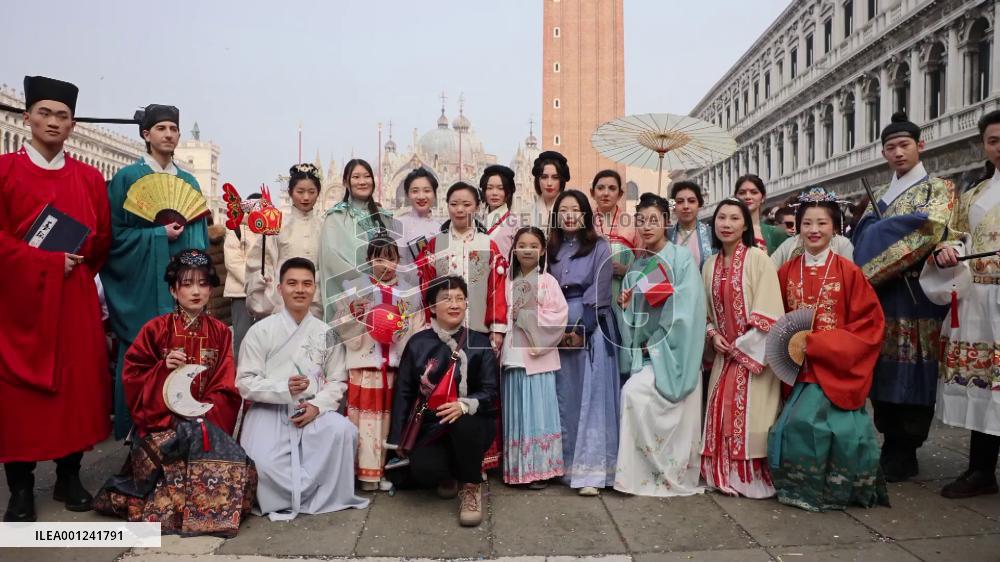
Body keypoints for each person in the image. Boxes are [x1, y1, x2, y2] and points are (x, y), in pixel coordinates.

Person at [0, 76, 112, 522]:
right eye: (44, 113)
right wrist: (42, 264)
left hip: (73, 301)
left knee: (76, 391)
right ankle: (21, 488)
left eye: (62, 116)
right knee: (18, 399)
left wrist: (75, 269)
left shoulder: (87, 178)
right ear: (26, 118)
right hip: (17, 305)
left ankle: (70, 475)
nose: (52, 121)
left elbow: (100, 240)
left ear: (73, 126)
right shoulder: (4, 171)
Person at [93, 249, 255, 535]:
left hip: (206, 425)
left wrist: (201, 418)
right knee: (163, 497)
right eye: (187, 284)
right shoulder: (156, 329)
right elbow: (132, 376)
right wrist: (161, 368)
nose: (196, 291)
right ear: (173, 289)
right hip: (161, 424)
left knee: (240, 468)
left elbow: (225, 387)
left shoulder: (220, 332)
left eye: (203, 284)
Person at [767, 189, 889, 512]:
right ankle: (801, 487)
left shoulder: (849, 273)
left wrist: (822, 344)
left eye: (822, 223)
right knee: (793, 426)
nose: (814, 230)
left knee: (830, 428)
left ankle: (838, 491)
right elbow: (771, 313)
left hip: (836, 367)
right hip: (797, 369)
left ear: (835, 227)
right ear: (798, 227)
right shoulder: (786, 271)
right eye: (807, 223)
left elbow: (870, 324)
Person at [852, 112, 956, 482]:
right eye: (890, 147)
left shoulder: (939, 189)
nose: (897, 153)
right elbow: (860, 238)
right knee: (882, 367)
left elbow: (927, 230)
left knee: (914, 368)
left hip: (916, 291)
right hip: (879, 296)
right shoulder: (879, 194)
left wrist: (881, 238)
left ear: (920, 146)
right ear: (883, 152)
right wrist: (878, 230)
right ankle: (888, 442)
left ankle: (906, 448)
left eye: (904, 145)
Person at [104, 103, 209, 439]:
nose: (168, 134)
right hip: (143, 289)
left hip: (181, 286)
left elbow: (198, 239)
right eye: (161, 129)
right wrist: (157, 235)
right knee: (145, 352)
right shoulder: (127, 178)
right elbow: (113, 237)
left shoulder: (189, 182)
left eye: (173, 129)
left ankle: (181, 434)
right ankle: (139, 441)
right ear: (146, 135)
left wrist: (194, 278)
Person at [237, 257, 369, 521]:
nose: (300, 289)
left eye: (307, 284)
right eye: (293, 283)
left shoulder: (326, 333)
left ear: (314, 290)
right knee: (263, 464)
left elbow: (337, 381)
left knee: (342, 432)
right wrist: (281, 388)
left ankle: (323, 497)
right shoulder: (260, 331)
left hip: (312, 411)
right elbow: (245, 382)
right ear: (280, 289)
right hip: (269, 410)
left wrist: (316, 406)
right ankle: (287, 498)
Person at [387, 276, 500, 527]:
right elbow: (404, 392)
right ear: (431, 307)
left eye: (460, 298)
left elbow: (492, 392)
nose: (455, 304)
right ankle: (451, 474)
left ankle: (471, 487)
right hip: (431, 427)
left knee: (463, 422)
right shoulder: (417, 343)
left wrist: (464, 405)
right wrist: (397, 440)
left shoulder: (479, 343)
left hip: (472, 425)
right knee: (423, 471)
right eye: (447, 298)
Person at [614, 194, 707, 497]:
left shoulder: (681, 258)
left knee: (634, 392)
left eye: (654, 219)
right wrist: (627, 304)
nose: (647, 226)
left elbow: (689, 309)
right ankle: (637, 476)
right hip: (649, 355)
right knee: (630, 393)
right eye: (641, 220)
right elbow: (632, 321)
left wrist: (665, 297)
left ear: (667, 222)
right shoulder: (638, 264)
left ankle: (672, 471)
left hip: (675, 354)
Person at [931, 110, 1000, 499]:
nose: (999, 147)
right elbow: (955, 235)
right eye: (993, 140)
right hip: (979, 298)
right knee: (984, 384)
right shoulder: (973, 192)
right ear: (984, 145)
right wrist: (949, 251)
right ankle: (981, 469)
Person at [417, 181, 508, 470]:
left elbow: (497, 287)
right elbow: (425, 286)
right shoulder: (436, 244)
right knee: (442, 390)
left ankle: (478, 459)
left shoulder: (487, 245)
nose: (460, 209)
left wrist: (496, 329)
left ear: (477, 207)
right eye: (454, 203)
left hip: (478, 330)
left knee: (478, 391)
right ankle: (444, 460)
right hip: (442, 330)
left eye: (467, 204)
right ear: (447, 206)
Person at [701, 198, 783, 498]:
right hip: (724, 353)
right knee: (720, 413)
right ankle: (721, 473)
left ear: (746, 225)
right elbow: (705, 312)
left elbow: (770, 309)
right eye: (721, 218)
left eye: (734, 218)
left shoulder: (759, 259)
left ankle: (749, 478)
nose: (726, 224)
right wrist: (712, 335)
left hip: (752, 354)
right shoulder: (709, 264)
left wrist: (742, 345)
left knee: (751, 416)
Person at [333, 236, 425, 491]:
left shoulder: (410, 293)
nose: (385, 265)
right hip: (365, 366)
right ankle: (363, 473)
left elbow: (417, 331)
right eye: (378, 258)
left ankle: (387, 472)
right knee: (364, 423)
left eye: (391, 258)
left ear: (398, 261)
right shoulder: (354, 289)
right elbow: (339, 326)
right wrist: (353, 313)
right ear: (368, 260)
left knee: (389, 422)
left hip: (395, 367)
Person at [549, 190, 621, 496]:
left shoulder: (599, 247)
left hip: (587, 321)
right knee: (563, 394)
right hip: (554, 322)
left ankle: (592, 470)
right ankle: (563, 464)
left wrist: (583, 326)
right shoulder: (549, 249)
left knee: (590, 395)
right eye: (563, 210)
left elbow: (600, 287)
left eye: (575, 209)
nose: (569, 215)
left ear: (584, 214)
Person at [502, 227, 568, 487]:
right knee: (517, 411)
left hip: (537, 357)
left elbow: (559, 317)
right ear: (514, 249)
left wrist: (528, 317)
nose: (527, 249)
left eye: (533, 245)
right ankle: (517, 469)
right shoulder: (506, 282)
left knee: (539, 413)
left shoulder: (548, 282)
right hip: (512, 353)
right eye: (522, 244)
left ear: (542, 251)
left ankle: (541, 469)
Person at [246, 163, 324, 319]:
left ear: (318, 193)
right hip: (281, 301)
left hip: (317, 302)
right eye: (300, 192)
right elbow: (262, 261)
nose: (306, 197)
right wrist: (265, 281)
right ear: (290, 192)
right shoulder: (277, 225)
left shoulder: (325, 227)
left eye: (311, 192)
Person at [319, 159, 391, 320]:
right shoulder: (336, 217)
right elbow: (331, 258)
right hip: (351, 298)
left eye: (367, 176)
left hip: (385, 297)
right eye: (356, 177)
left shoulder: (384, 217)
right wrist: (366, 284)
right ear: (345, 182)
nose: (362, 181)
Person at [591, 169, 638, 383]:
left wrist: (629, 271)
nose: (606, 193)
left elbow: (652, 266)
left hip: (626, 299)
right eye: (600, 188)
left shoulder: (634, 223)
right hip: (593, 298)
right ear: (592, 192)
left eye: (612, 188)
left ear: (620, 194)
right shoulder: (584, 224)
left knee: (625, 351)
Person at [224, 192, 262, 356]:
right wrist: (253, 282)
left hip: (264, 294)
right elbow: (233, 262)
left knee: (263, 337)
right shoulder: (236, 229)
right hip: (241, 293)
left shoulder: (269, 231)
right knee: (242, 336)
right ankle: (240, 377)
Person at [393, 167, 442, 287]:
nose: (421, 196)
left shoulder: (441, 228)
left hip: (436, 294)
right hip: (407, 293)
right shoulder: (398, 224)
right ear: (407, 194)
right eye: (415, 191)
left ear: (434, 194)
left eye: (427, 191)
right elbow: (396, 264)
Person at [733, 174, 788, 255]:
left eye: (754, 192)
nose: (747, 196)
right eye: (742, 193)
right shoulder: (726, 230)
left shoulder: (775, 233)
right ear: (735, 197)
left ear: (762, 198)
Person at [668, 180, 715, 269]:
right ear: (673, 207)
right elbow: (660, 271)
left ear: (699, 205)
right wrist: (642, 283)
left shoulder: (712, 235)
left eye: (691, 201)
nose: (686, 206)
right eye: (680, 201)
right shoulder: (665, 236)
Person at [481, 164, 521, 259]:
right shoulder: (475, 221)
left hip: (505, 273)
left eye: (500, 188)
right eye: (489, 188)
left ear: (509, 192)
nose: (494, 193)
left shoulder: (516, 223)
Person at [530, 151, 570, 233]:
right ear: (538, 180)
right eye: (544, 177)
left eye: (555, 177)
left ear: (561, 180)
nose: (549, 183)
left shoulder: (573, 211)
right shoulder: (526, 212)